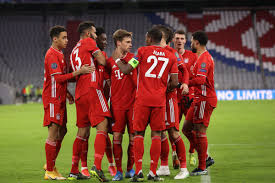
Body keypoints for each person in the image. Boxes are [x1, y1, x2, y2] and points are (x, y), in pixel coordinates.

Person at [115, 27, 179, 182]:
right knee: (157, 135)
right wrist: (163, 87)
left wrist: (117, 59)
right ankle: (152, 172)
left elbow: (126, 69)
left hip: (142, 100)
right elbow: (175, 82)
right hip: (159, 101)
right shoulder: (171, 57)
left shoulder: (142, 51)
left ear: (150, 38)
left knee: (138, 134)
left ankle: (138, 172)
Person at [43, 25, 93, 180]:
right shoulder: (52, 54)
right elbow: (57, 79)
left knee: (62, 131)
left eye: (67, 37)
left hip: (60, 98)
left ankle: (49, 164)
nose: (67, 40)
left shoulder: (60, 54)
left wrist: (68, 94)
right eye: (63, 38)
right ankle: (49, 170)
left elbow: (63, 79)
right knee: (53, 134)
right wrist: (79, 72)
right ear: (55, 39)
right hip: (52, 99)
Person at [69, 21, 111, 182]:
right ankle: (97, 166)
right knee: (103, 126)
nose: (96, 35)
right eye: (94, 33)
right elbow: (102, 61)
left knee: (83, 133)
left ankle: (74, 170)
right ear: (88, 34)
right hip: (92, 89)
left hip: (80, 93)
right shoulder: (89, 42)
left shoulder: (73, 50)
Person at [152, 25, 189, 180]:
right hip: (158, 98)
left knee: (173, 132)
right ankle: (164, 166)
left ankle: (184, 168)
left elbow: (184, 71)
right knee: (160, 132)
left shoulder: (172, 53)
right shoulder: (152, 51)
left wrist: (185, 83)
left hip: (169, 98)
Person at [107, 29, 136, 181]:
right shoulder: (109, 61)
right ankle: (118, 171)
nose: (131, 45)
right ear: (119, 43)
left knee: (133, 138)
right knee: (117, 137)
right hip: (117, 105)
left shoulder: (135, 58)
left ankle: (130, 169)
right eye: (127, 42)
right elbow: (107, 81)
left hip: (132, 105)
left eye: (131, 41)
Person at [188, 31, 217, 176]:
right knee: (187, 128)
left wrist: (185, 83)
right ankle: (204, 158)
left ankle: (202, 165)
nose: (190, 43)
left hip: (205, 99)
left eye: (192, 41)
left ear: (197, 42)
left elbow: (200, 80)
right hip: (200, 99)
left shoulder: (204, 58)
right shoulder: (201, 57)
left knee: (200, 131)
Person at [173, 30, 198, 166]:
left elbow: (195, 75)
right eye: (177, 38)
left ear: (185, 41)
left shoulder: (192, 56)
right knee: (173, 128)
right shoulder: (169, 54)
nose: (179, 41)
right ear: (173, 40)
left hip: (189, 98)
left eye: (182, 38)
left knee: (190, 129)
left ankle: (191, 153)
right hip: (174, 98)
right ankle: (175, 155)